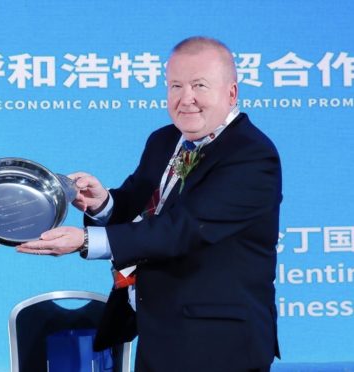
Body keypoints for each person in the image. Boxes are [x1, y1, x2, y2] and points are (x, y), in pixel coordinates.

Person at [18, 36, 282, 372]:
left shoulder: (251, 155)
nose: (186, 99)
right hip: (160, 332)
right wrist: (102, 204)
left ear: (231, 93)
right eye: (175, 86)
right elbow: (137, 207)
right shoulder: (164, 139)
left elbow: (182, 230)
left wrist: (85, 242)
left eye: (199, 85)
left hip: (219, 343)